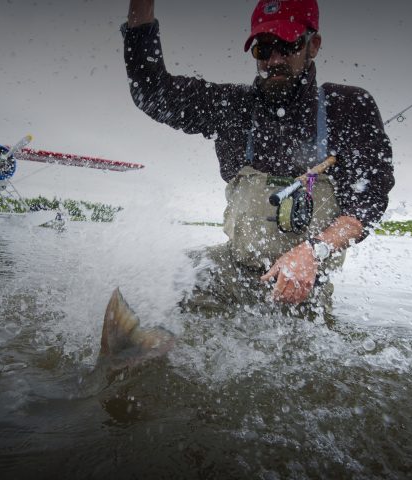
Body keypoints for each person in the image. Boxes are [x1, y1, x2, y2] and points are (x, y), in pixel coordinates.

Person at [122, 0, 394, 319]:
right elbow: (152, 93)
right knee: (179, 272)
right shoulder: (233, 107)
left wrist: (313, 250)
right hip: (232, 271)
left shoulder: (347, 108)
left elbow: (369, 202)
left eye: (288, 45)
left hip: (303, 286)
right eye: (264, 49)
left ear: (313, 44)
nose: (274, 59)